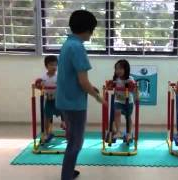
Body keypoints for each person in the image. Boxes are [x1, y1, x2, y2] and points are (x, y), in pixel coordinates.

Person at [56, 10, 106, 180]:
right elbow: (83, 82)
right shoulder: (77, 48)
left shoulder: (68, 44)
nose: (92, 34)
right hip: (74, 104)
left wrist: (91, 88)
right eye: (92, 30)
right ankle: (66, 176)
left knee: (72, 140)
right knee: (76, 143)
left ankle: (68, 171)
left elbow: (73, 76)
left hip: (64, 100)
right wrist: (96, 96)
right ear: (87, 29)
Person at [37, 55, 66, 142]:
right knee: (47, 117)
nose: (54, 67)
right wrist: (38, 86)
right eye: (51, 65)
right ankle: (47, 133)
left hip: (59, 100)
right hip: (49, 100)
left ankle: (66, 127)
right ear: (46, 66)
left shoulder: (59, 77)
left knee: (64, 113)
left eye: (55, 65)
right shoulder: (43, 78)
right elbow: (40, 86)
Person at [110, 59, 135, 142]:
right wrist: (109, 85)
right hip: (118, 100)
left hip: (128, 102)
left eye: (120, 69)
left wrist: (137, 94)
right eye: (116, 69)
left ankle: (129, 133)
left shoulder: (130, 79)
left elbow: (134, 88)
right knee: (117, 113)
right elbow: (111, 86)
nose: (118, 71)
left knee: (128, 117)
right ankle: (118, 131)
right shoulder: (116, 79)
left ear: (126, 69)